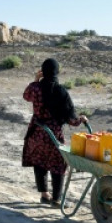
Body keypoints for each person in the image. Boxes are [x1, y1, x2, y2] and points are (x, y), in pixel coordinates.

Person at [22, 58, 87, 205]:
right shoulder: (61, 91)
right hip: (54, 136)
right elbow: (71, 119)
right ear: (57, 72)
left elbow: (26, 96)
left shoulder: (36, 88)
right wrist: (81, 119)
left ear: (43, 71)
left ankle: (44, 195)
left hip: (37, 132)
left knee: (39, 162)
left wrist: (36, 80)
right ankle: (56, 199)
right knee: (58, 164)